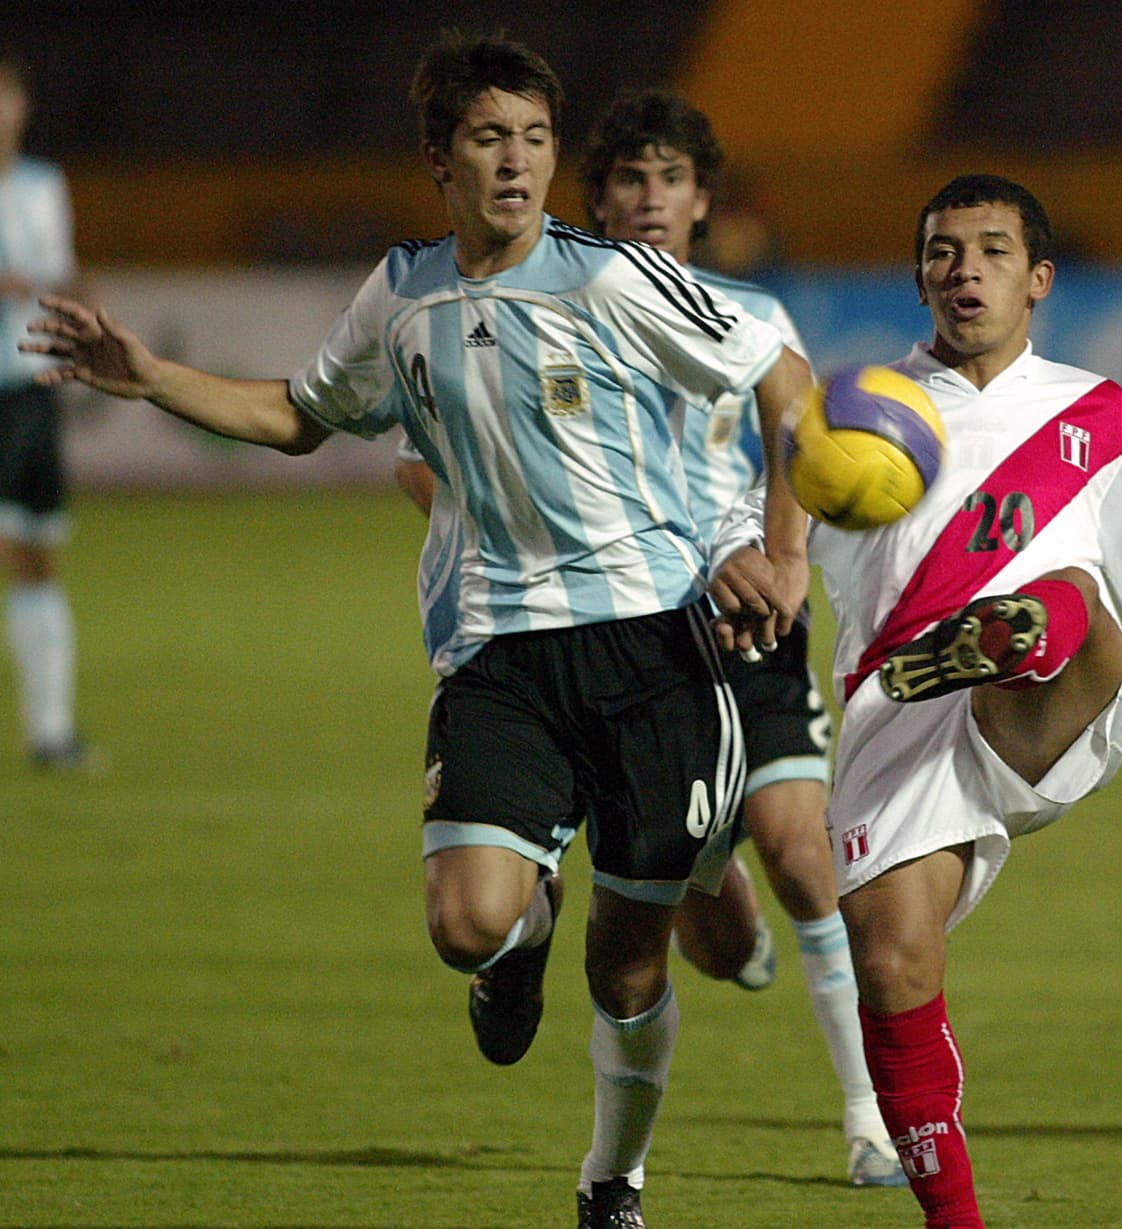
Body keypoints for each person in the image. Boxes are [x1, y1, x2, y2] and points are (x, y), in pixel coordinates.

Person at [22, 33, 813, 1229]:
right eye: (491, 138)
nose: (517, 163)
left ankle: (611, 1181)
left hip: (655, 651)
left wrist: (786, 547)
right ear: (438, 158)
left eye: (537, 139)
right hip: (499, 654)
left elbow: (782, 376)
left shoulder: (611, 279)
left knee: (630, 963)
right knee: (463, 922)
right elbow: (298, 413)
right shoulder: (400, 294)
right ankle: (517, 927)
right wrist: (148, 375)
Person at [710, 173, 1122, 1228]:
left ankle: (1012, 632)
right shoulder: (851, 411)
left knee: (1075, 598)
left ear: (1038, 278)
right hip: (894, 706)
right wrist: (747, 557)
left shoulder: (1091, 411)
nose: (965, 271)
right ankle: (953, 1219)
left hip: (1051, 704)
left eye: (992, 251)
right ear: (918, 278)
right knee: (891, 957)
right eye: (943, 253)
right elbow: (756, 520)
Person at [577, 86, 904, 1188]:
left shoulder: (753, 318)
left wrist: (789, 557)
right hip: (629, 635)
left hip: (752, 617)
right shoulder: (550, 313)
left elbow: (799, 437)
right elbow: (424, 454)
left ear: (702, 198)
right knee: (710, 939)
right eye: (628, 177)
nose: (650, 196)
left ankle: (867, 1118)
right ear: (600, 198)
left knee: (804, 851)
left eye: (669, 177)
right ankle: (731, 931)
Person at [0, 49, 90, 769]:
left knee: (37, 552)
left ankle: (51, 731)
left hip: (33, 388)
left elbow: (60, 273)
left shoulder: (41, 184)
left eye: (7, 95)